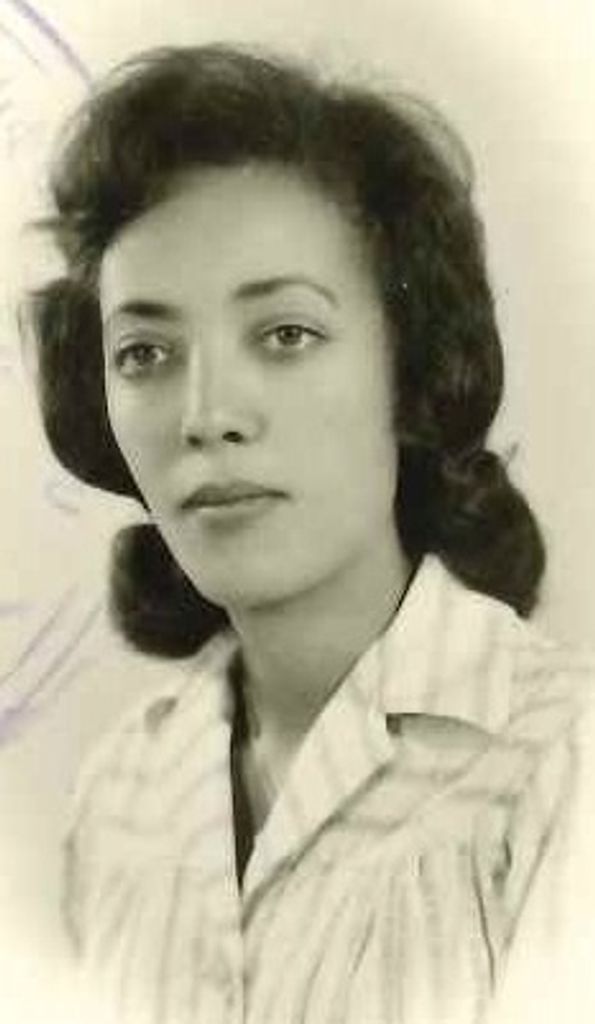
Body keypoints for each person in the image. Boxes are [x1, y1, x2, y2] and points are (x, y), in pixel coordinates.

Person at [28, 43, 595, 1024]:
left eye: (285, 335)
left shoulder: (561, 762)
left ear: (409, 368)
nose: (207, 414)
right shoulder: (120, 795)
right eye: (145, 352)